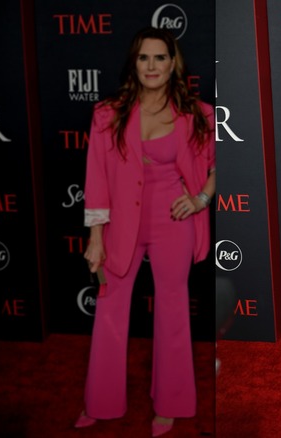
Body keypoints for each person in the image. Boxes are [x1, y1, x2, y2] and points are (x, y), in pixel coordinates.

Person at [75, 27, 215, 437]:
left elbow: (215, 165)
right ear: (133, 64)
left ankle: (170, 404)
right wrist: (95, 237)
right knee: (110, 307)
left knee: (173, 310)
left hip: (174, 221)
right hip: (120, 223)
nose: (151, 66)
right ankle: (99, 402)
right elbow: (97, 179)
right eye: (143, 58)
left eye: (159, 58)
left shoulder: (198, 113)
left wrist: (201, 199)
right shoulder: (108, 113)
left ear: (174, 65)